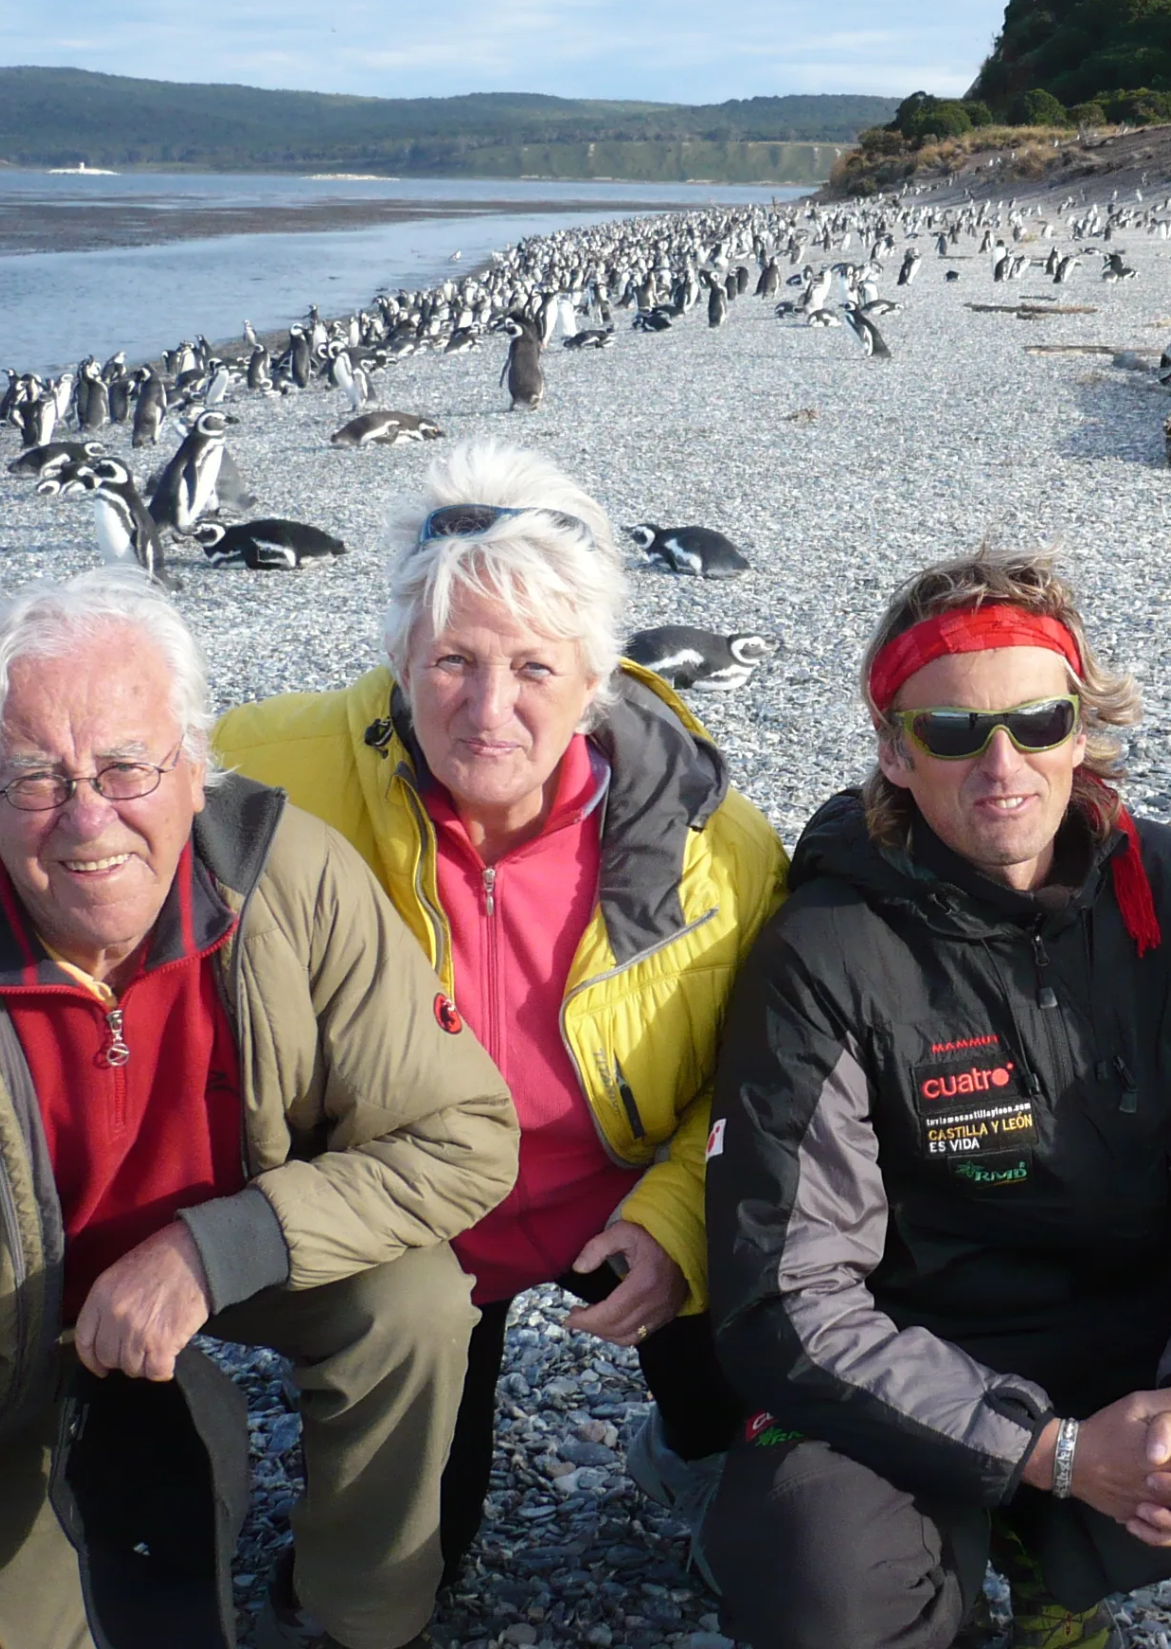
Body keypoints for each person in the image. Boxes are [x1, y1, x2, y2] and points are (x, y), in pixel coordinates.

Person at [701, 547, 1171, 1649]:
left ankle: (1054, 1562)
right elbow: (789, 1291)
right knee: (814, 1585)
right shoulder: (825, 950)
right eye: (953, 731)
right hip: (914, 1356)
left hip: (1130, 1320)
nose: (1002, 763)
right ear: (894, 750)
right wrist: (1049, 1450)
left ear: (1084, 726)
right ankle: (957, 1569)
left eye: (1039, 721)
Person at [0, 568, 520, 1649]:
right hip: (22, 1311)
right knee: (1, 1621)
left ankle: (358, 1616)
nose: (89, 816)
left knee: (416, 1301)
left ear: (195, 767)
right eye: (38, 779)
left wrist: (216, 1247)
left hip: (243, 1243)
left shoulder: (292, 881)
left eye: (128, 765)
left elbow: (468, 1135)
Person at [214, 443, 786, 1584]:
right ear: (397, 656)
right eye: (453, 660)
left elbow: (759, 1073)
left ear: (596, 674)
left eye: (534, 664)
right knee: (419, 1561)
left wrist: (676, 1220)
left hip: (612, 1188)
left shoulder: (715, 847)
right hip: (408, 1217)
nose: (489, 707)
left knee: (750, 1298)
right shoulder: (261, 776)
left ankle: (695, 1448)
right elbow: (50, 858)